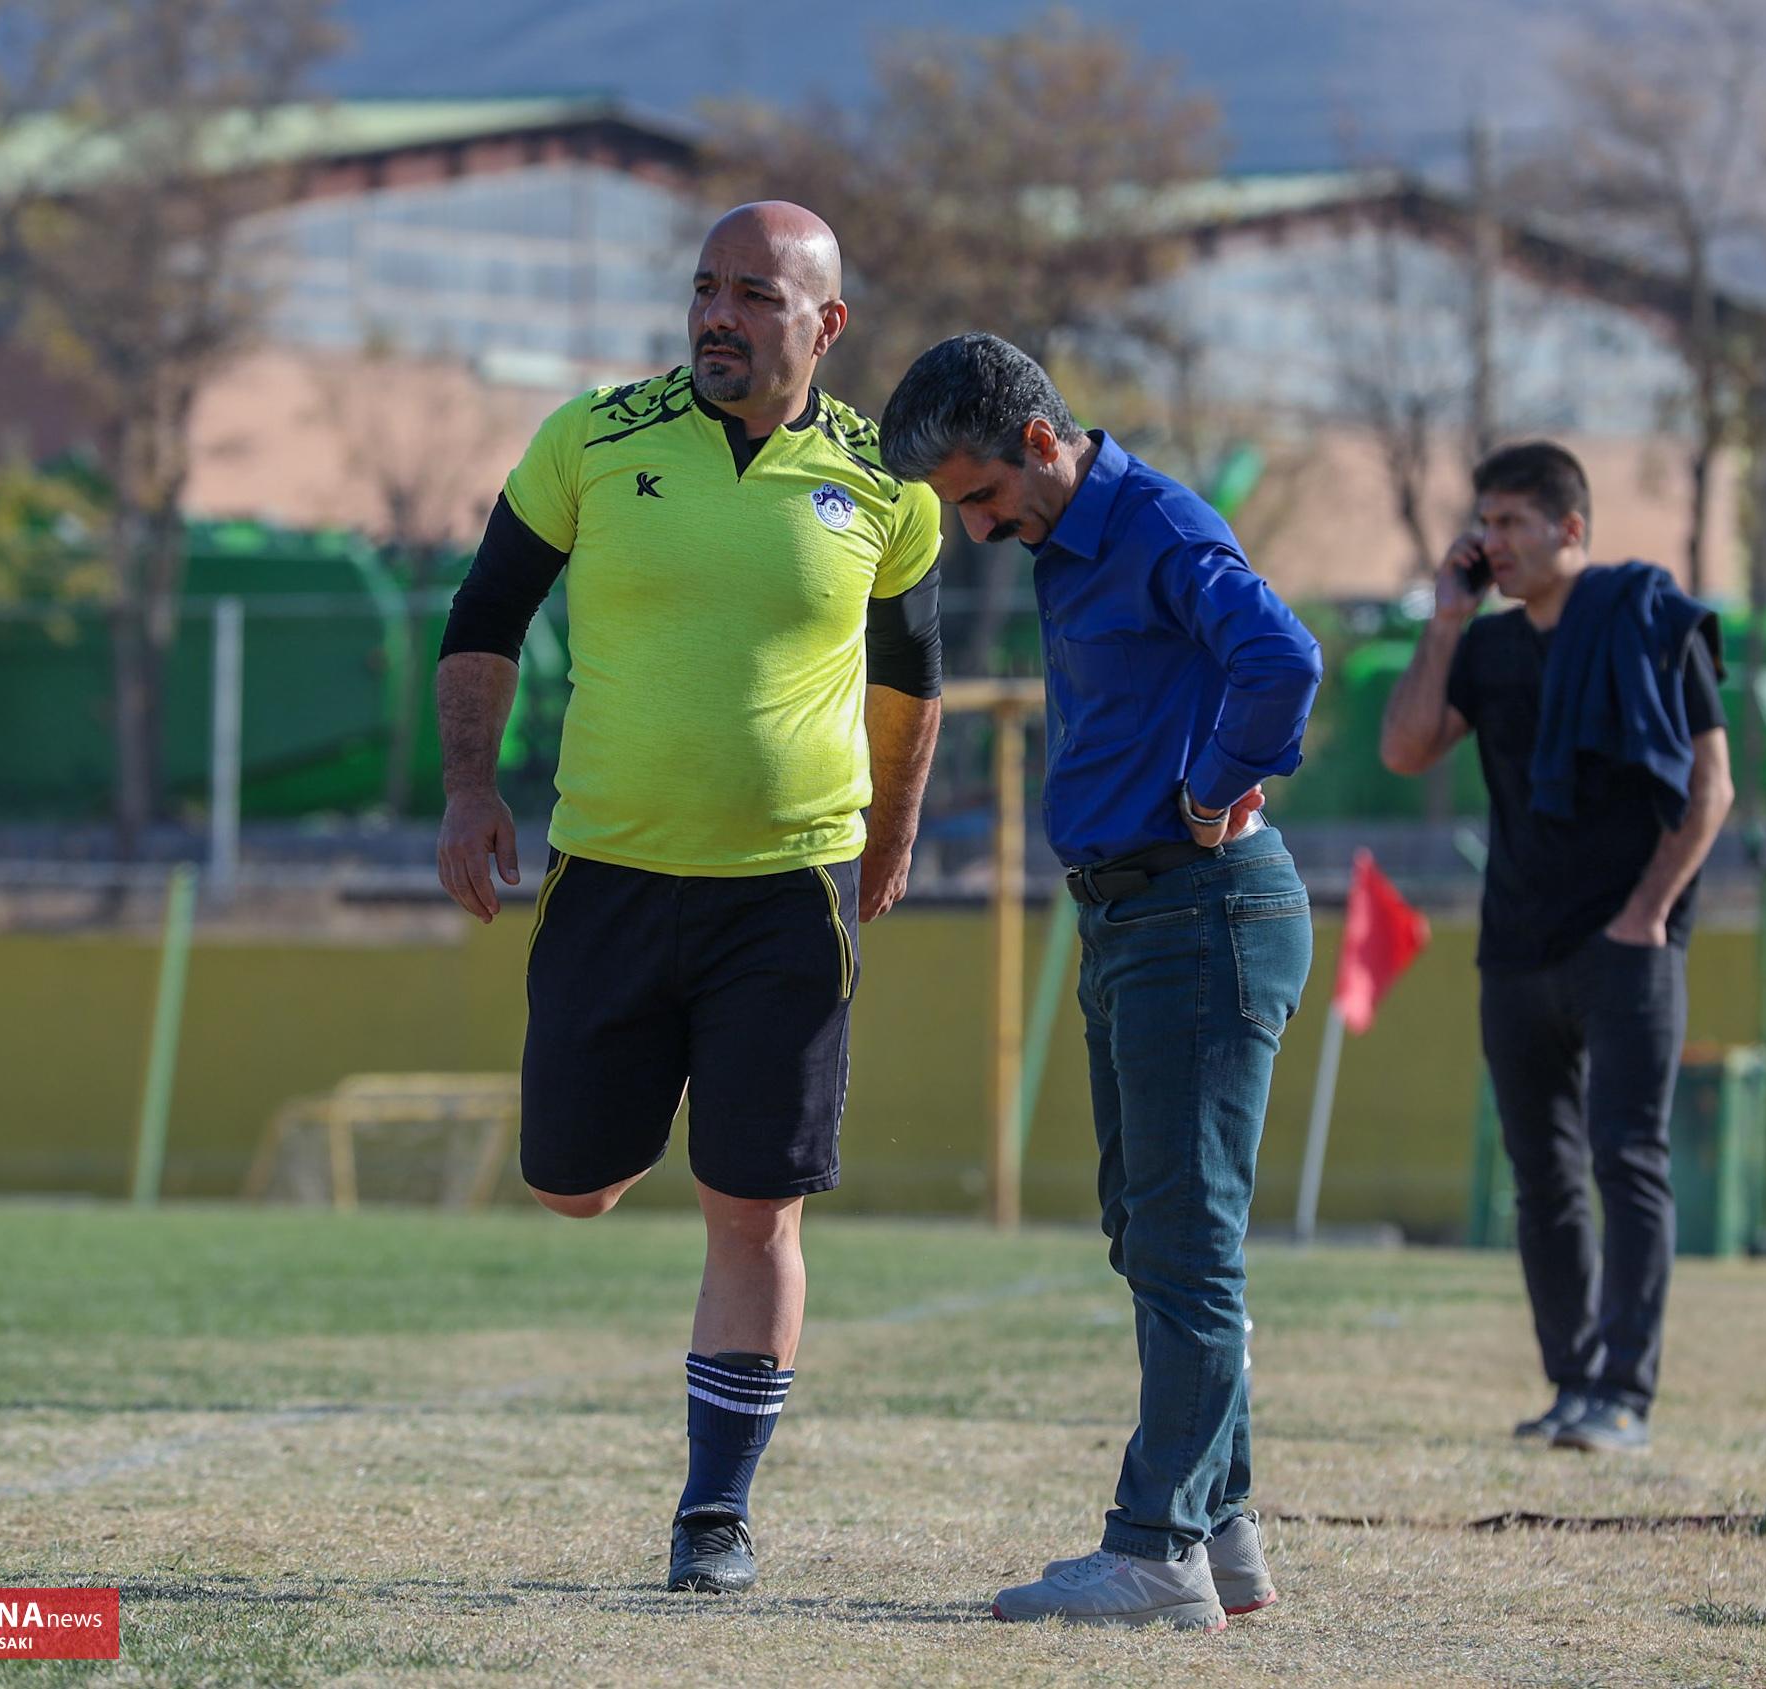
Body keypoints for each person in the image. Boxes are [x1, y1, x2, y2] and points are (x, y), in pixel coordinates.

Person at [431, 202, 945, 1594]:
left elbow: (910, 679)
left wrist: (891, 835)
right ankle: (648, 1108)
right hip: (607, 872)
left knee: (755, 1208)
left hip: (789, 890)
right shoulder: (591, 438)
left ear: (825, 325)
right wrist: (470, 789)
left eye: (755, 295)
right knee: (571, 1185)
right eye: (707, 288)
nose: (719, 314)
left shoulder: (887, 485)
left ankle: (714, 1515)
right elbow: (485, 614)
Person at [880, 333, 1320, 1630]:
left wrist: (1214, 781)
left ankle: (1155, 1547)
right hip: (1134, 918)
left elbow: (1282, 661)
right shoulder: (1068, 542)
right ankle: (1220, 1530)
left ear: (1037, 440)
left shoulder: (1156, 525)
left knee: (1187, 1243)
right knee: (1149, 1229)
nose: (973, 528)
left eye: (978, 495)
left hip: (1201, 910)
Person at [1379, 441, 1732, 1456]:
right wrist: (1445, 621)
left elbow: (1711, 786)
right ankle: (1573, 1382)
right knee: (1542, 1175)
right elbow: (1404, 748)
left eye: (1511, 523)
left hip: (1626, 942)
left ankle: (1624, 1393)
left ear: (1569, 529)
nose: (1490, 542)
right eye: (1483, 523)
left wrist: (1647, 912)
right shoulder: (1486, 648)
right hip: (1515, 946)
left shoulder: (1650, 620)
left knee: (1628, 1159)